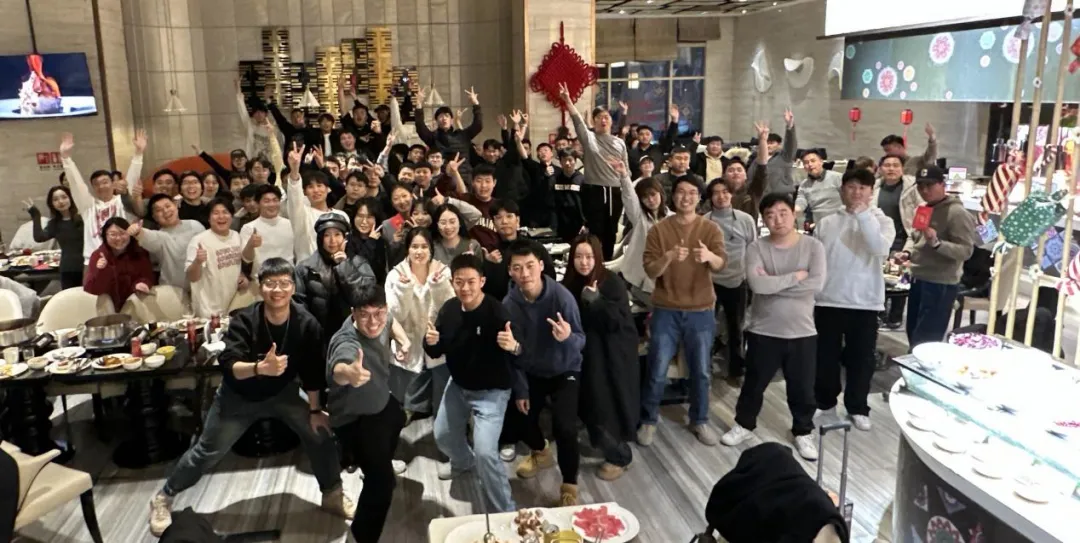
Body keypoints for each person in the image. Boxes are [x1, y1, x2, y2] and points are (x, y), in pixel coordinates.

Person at [148, 258, 353, 536]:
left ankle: (332, 494)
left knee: (320, 433)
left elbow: (313, 373)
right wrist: (260, 368)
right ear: (260, 287)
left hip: (282, 393)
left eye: (284, 283)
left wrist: (316, 411)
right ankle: (164, 497)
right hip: (238, 396)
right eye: (270, 283)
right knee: (206, 452)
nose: (277, 290)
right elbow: (229, 365)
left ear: (293, 288)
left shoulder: (306, 323)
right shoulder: (245, 319)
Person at [722, 193, 826, 461]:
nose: (777, 220)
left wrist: (774, 284)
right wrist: (796, 277)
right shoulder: (756, 248)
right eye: (770, 215)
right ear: (764, 219)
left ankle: (803, 431)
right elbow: (758, 285)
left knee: (802, 387)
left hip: (802, 331)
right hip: (763, 330)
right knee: (753, 384)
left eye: (783, 213)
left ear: (794, 214)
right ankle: (744, 425)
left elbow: (816, 284)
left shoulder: (813, 247)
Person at [427, 254, 523, 513]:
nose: (465, 288)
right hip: (459, 385)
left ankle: (506, 510)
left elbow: (522, 352)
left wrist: (514, 347)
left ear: (482, 281)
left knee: (485, 452)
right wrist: (431, 343)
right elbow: (437, 349)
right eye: (459, 282)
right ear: (452, 282)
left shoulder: (497, 312)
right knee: (443, 436)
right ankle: (463, 462)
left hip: (492, 392)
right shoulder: (449, 310)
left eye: (471, 281)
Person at [639, 177, 727, 447]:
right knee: (657, 368)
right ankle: (648, 420)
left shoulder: (710, 228)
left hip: (701, 310)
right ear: (673, 196)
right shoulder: (659, 230)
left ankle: (699, 420)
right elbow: (650, 270)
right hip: (666, 309)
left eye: (692, 193)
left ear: (699, 198)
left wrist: (709, 257)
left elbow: (721, 263)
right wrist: (668, 257)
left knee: (701, 371)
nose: (686, 197)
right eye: (680, 192)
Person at [502, 241, 586, 505]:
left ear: (540, 266)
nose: (524, 273)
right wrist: (521, 389)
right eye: (518, 268)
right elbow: (513, 353)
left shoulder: (562, 297)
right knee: (520, 418)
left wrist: (567, 337)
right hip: (533, 370)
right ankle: (541, 452)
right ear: (510, 271)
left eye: (530, 266)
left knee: (565, 427)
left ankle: (570, 484)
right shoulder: (509, 304)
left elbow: (581, 341)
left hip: (565, 369)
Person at [813, 169, 895, 432]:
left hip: (865, 302)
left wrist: (862, 216)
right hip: (828, 300)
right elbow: (817, 260)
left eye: (863, 188)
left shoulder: (883, 221)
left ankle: (858, 407)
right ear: (842, 190)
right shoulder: (827, 222)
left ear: (871, 192)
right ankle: (824, 401)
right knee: (825, 357)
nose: (856, 192)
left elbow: (879, 248)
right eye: (851, 187)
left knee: (861, 359)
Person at [326, 286, 407, 543]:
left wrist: (403, 341)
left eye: (378, 313)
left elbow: (391, 322)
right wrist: (350, 373)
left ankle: (379, 462)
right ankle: (360, 538)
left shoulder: (384, 318)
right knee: (381, 484)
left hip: (380, 402)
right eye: (364, 315)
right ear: (353, 313)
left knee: (398, 416)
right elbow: (339, 366)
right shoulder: (346, 341)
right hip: (354, 419)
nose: (373, 322)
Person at [561, 235, 639, 481]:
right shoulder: (570, 283)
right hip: (581, 355)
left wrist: (596, 302)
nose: (584, 262)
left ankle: (619, 456)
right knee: (585, 404)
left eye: (589, 256)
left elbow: (618, 322)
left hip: (607, 358)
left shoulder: (611, 283)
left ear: (598, 257)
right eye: (578, 256)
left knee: (602, 408)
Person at [903, 166, 975, 348]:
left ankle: (921, 366)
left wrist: (937, 244)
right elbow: (914, 236)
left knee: (926, 340)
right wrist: (907, 252)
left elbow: (966, 251)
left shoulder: (956, 213)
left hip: (940, 283)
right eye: (921, 186)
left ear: (942, 185)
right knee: (913, 332)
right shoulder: (923, 209)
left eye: (930, 185)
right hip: (918, 277)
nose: (925, 190)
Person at [386, 228, 455, 419]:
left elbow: (450, 311)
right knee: (406, 404)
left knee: (442, 403)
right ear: (407, 249)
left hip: (438, 344)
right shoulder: (395, 275)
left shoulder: (443, 271)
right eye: (414, 246)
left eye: (424, 246)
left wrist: (439, 287)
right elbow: (394, 316)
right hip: (408, 343)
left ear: (431, 249)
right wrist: (404, 289)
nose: (419, 251)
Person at [559, 82, 628, 259]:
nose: (603, 120)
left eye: (606, 117)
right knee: (594, 231)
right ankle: (593, 263)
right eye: (599, 117)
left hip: (614, 191)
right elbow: (577, 121)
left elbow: (626, 171)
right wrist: (567, 100)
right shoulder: (589, 138)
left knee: (611, 231)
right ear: (594, 121)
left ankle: (607, 264)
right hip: (594, 191)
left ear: (611, 121)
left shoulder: (619, 143)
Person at [59, 130, 146, 263]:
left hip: (123, 257)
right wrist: (66, 158)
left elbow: (131, 181)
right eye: (96, 184)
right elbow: (77, 184)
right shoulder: (88, 206)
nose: (101, 186)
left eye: (105, 182)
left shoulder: (122, 202)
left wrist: (139, 153)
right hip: (94, 260)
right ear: (93, 188)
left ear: (113, 183)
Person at [706, 177, 757, 385]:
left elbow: (753, 249)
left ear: (731, 194)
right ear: (710, 197)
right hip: (710, 282)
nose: (721, 196)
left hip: (738, 281)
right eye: (716, 193)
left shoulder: (745, 219)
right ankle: (704, 367)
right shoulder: (704, 221)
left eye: (725, 192)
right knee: (707, 327)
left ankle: (736, 370)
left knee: (736, 328)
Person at [294, 214, 377, 338]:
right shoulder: (305, 268)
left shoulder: (359, 263)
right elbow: (299, 305)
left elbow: (367, 298)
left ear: (345, 237)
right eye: (327, 235)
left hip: (353, 333)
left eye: (337, 234)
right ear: (320, 239)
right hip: (316, 335)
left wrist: (344, 265)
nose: (332, 240)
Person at [874, 154, 923, 329]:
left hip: (903, 237)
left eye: (896, 165)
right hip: (880, 238)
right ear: (881, 168)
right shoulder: (875, 187)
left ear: (902, 168)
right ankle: (879, 313)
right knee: (879, 277)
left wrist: (912, 244)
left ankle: (895, 316)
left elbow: (921, 212)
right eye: (887, 165)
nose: (891, 168)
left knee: (898, 278)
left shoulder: (912, 187)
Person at [283, 144, 351, 261]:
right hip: (307, 268)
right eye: (310, 187)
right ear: (304, 192)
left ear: (328, 189)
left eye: (319, 185)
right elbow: (294, 196)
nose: (316, 190)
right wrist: (294, 170)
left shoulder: (341, 215)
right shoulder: (301, 213)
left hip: (337, 266)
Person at [481, 200, 556, 302]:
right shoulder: (490, 252)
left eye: (509, 216)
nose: (504, 221)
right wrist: (491, 265)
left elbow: (550, 277)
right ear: (493, 223)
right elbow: (489, 289)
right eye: (498, 218)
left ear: (517, 220)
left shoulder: (534, 247)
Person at [186, 198, 249, 318]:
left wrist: (242, 277)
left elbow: (234, 264)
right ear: (209, 218)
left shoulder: (236, 236)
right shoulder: (199, 240)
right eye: (215, 213)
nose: (221, 216)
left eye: (225, 212)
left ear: (231, 216)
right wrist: (197, 262)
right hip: (208, 310)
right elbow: (192, 277)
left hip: (232, 306)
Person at [129, 194, 206, 289]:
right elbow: (148, 237)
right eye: (159, 210)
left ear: (176, 206)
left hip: (201, 286)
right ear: (154, 217)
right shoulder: (161, 236)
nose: (165, 211)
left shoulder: (195, 225)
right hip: (174, 290)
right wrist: (138, 232)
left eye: (168, 206)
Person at [83, 217, 155, 310]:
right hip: (107, 309)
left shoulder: (139, 253)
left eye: (122, 233)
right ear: (105, 236)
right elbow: (91, 289)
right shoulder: (98, 255)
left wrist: (142, 283)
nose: (118, 238)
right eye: (113, 234)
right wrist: (101, 270)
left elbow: (147, 276)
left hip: (135, 306)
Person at [414, 86, 483, 182]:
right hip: (442, 180)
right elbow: (420, 126)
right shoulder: (433, 137)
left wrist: (476, 104)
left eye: (447, 116)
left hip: (464, 177)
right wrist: (419, 104)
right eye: (440, 116)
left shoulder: (462, 135)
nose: (444, 118)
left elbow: (478, 125)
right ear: (436, 121)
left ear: (451, 120)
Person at [26, 186, 84, 289]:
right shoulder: (55, 224)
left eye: (64, 197)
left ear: (71, 198)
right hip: (67, 269)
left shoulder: (83, 218)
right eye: (55, 199)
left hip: (87, 267)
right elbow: (39, 237)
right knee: (70, 297)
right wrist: (36, 215)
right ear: (51, 204)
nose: (60, 201)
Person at [240, 185, 295, 276]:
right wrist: (250, 245)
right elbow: (246, 259)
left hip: (288, 277)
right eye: (266, 201)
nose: (272, 204)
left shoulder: (290, 224)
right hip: (261, 278)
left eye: (275, 200)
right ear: (258, 203)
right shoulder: (248, 228)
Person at [721, 123, 771, 222]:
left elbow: (762, 164)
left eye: (739, 170)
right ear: (724, 176)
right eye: (731, 170)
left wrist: (762, 140)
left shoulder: (753, 190)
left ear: (745, 176)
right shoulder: (718, 192)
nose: (736, 173)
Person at [749, 108, 798, 195]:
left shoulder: (784, 157)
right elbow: (751, 178)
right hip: (761, 197)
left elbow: (790, 144)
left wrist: (790, 126)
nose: (768, 146)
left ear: (778, 145)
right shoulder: (756, 160)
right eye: (767, 143)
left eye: (771, 143)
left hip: (781, 196)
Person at [346, 198, 390, 285]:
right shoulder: (347, 241)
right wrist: (370, 241)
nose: (364, 221)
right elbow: (358, 267)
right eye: (360, 216)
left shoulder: (381, 241)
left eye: (369, 217)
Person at [796, 149, 844, 223]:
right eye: (806, 162)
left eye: (813, 161)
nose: (810, 164)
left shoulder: (838, 178)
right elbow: (800, 202)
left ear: (821, 162)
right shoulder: (804, 185)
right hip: (820, 225)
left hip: (841, 222)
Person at [553, 150, 588, 242]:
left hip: (578, 224)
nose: (567, 163)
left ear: (575, 161)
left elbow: (587, 204)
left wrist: (585, 224)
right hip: (561, 224)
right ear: (560, 162)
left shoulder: (582, 179)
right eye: (564, 160)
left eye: (570, 160)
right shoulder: (556, 179)